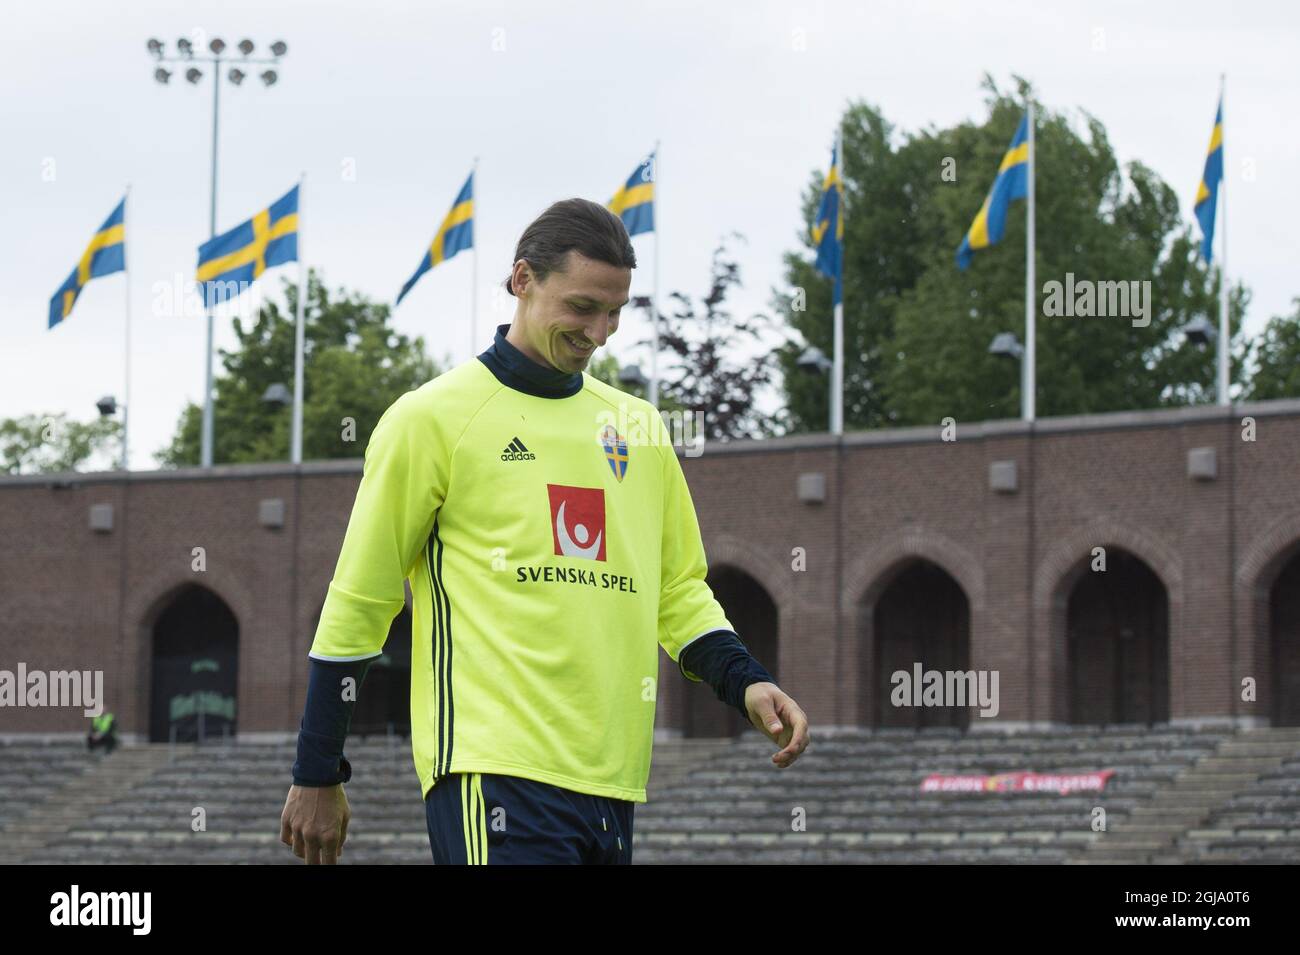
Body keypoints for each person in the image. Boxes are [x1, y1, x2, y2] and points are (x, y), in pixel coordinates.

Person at [280, 198, 809, 865]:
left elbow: (676, 591)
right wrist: (318, 767)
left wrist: (747, 680)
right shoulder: (432, 419)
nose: (601, 332)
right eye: (582, 307)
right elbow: (360, 600)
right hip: (492, 769)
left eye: (616, 312)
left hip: (610, 782)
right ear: (522, 280)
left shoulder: (640, 429)